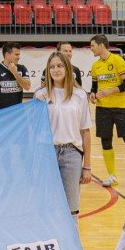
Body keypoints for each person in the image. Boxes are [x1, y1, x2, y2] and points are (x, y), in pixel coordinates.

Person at [35, 52, 95, 214]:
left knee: (71, 208)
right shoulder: (40, 95)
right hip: (47, 153)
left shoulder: (80, 95)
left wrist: (87, 166)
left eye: (59, 66)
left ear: (67, 68)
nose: (55, 70)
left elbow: (85, 131)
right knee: (46, 205)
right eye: (52, 67)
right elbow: (34, 129)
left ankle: (71, 240)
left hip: (72, 154)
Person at [89, 35, 125, 186]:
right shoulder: (95, 65)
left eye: (92, 45)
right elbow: (94, 86)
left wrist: (110, 91)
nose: (91, 48)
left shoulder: (117, 60)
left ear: (101, 45)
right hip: (102, 109)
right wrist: (92, 94)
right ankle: (112, 176)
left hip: (120, 107)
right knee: (106, 141)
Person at [0, 42, 30, 114]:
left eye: (19, 54)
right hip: (1, 116)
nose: (19, 57)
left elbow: (27, 87)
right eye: (16, 54)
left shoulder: (22, 68)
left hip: (19, 115)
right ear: (8, 54)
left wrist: (15, 73)